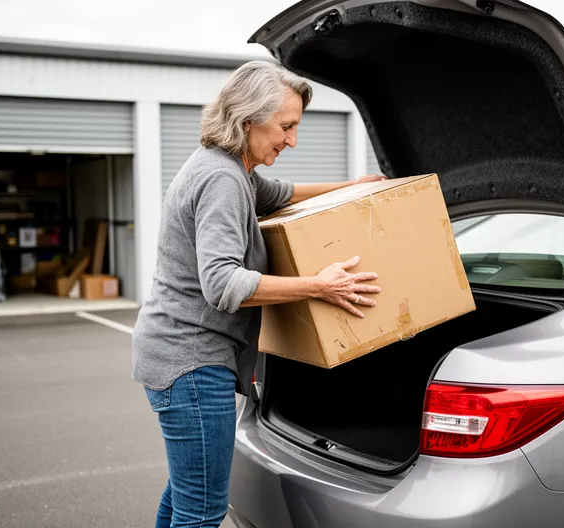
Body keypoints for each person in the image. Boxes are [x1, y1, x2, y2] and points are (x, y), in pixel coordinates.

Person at [131, 60, 386, 528]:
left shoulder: (234, 169)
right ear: (248, 120)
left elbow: (282, 194)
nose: (292, 139)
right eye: (285, 127)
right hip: (190, 362)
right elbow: (223, 284)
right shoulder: (223, 180)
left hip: (179, 358)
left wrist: (352, 187)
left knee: (185, 496)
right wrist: (320, 286)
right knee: (202, 510)